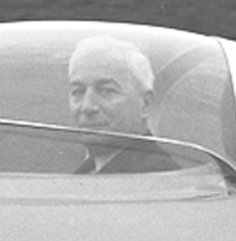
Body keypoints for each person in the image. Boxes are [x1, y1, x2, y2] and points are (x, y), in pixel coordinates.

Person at [65, 35, 179, 172]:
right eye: (78, 91)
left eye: (106, 91)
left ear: (146, 103)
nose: (87, 107)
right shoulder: (90, 171)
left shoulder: (158, 177)